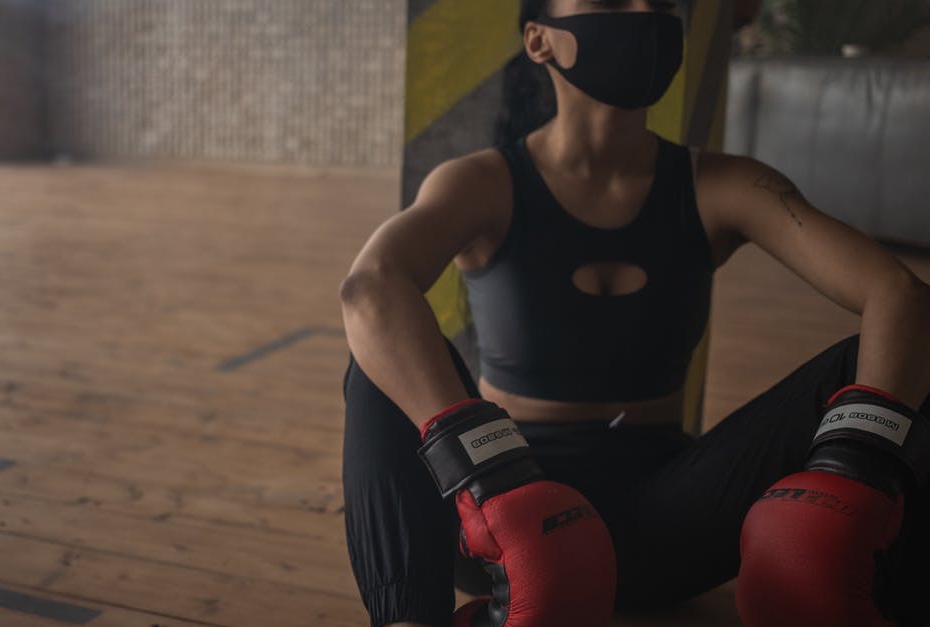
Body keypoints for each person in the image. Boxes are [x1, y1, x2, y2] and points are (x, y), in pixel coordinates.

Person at [338, 0, 930, 626]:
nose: (645, 11)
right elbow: (369, 288)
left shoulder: (722, 186)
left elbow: (900, 293)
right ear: (539, 40)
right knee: (378, 361)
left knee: (889, 364)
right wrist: (487, 474)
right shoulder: (482, 184)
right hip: (507, 516)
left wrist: (860, 466)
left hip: (668, 523)